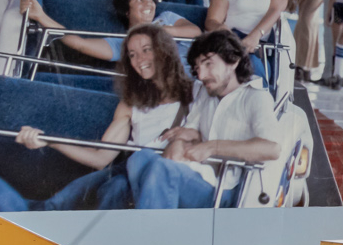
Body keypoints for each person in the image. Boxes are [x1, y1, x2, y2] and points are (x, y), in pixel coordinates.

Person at [0, 23, 194, 212]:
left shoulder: (195, 93)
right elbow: (100, 158)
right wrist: (50, 141)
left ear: (164, 49)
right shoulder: (131, 104)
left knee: (115, 188)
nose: (139, 60)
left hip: (164, 181)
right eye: (132, 55)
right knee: (54, 206)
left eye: (146, 50)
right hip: (128, 175)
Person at [118, 31, 281, 209]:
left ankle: (153, 227)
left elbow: (272, 148)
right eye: (197, 68)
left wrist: (212, 147)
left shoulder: (255, 98)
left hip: (224, 187)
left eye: (208, 64)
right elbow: (191, 128)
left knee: (162, 170)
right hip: (198, 172)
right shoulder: (207, 93)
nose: (201, 75)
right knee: (139, 159)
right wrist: (179, 141)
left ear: (233, 61)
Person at [25, 0, 200, 66]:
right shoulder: (125, 43)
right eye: (139, 0)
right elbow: (80, 44)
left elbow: (196, 32)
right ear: (127, 11)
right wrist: (42, 17)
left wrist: (162, 31)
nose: (148, 4)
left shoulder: (168, 17)